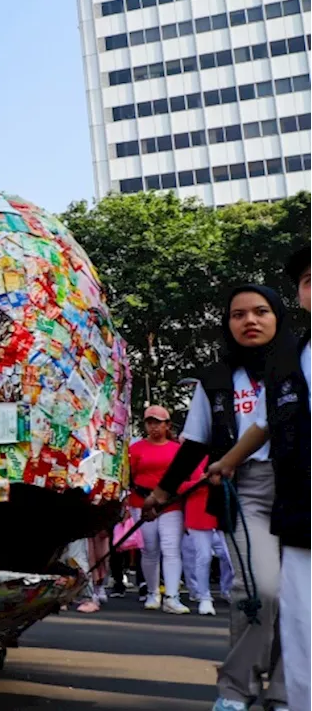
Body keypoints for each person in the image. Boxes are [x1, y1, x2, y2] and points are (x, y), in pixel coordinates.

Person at [143, 285, 295, 711]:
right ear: (226, 324)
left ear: (278, 317)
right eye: (238, 314)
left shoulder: (299, 365)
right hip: (244, 491)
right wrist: (161, 493)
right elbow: (193, 444)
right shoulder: (215, 378)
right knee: (258, 589)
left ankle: (285, 693)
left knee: (297, 597)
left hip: (300, 489)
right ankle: (235, 690)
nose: (249, 320)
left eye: (261, 311)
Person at [128, 406, 191, 614]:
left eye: (158, 422)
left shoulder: (177, 449)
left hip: (171, 504)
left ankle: (172, 596)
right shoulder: (136, 449)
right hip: (142, 503)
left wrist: (167, 497)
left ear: (167, 425)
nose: (154, 427)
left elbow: (185, 477)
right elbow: (129, 477)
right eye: (150, 422)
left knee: (171, 548)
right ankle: (153, 592)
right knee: (149, 550)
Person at [180, 461, 234, 616]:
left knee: (229, 556)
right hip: (199, 514)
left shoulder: (227, 454)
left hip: (224, 513)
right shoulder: (191, 459)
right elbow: (179, 488)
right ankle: (204, 596)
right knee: (203, 556)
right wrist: (200, 481)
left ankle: (227, 589)